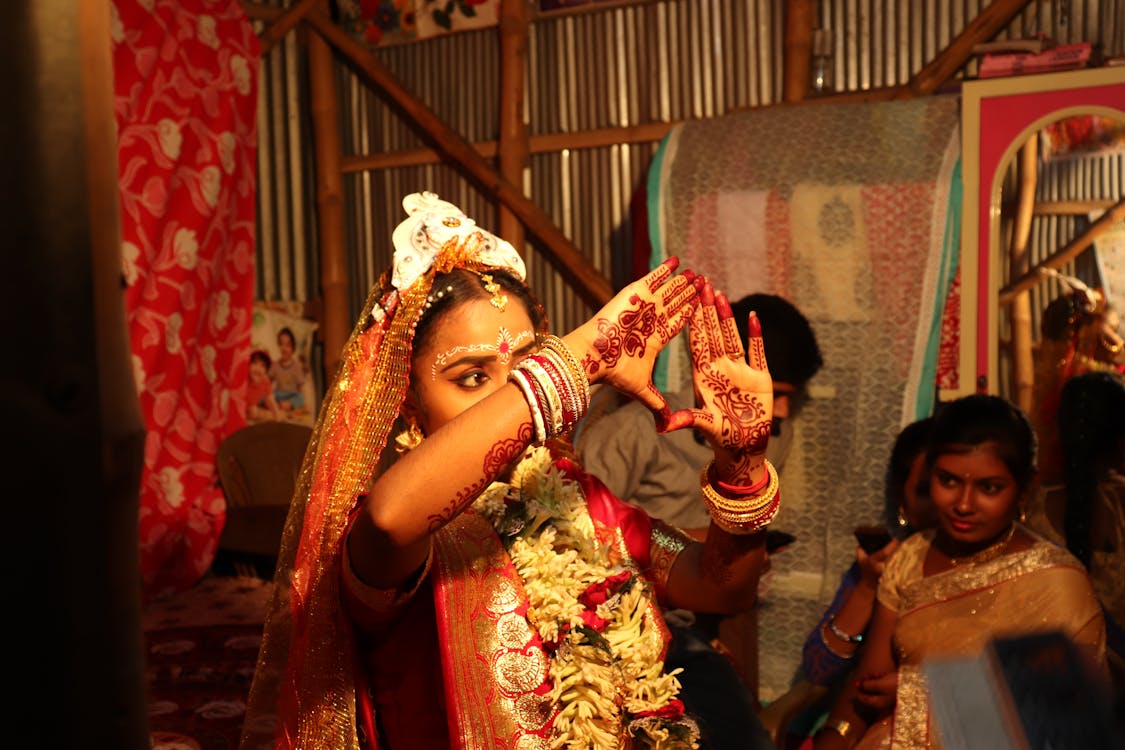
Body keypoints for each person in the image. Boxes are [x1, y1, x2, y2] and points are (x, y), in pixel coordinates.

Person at [241, 192, 785, 750]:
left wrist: (741, 470)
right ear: (408, 404)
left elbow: (721, 586)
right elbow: (389, 520)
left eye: (527, 365)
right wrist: (579, 359)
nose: (514, 396)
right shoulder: (404, 531)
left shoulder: (582, 503)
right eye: (473, 377)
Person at [812, 394, 1107, 750]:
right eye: (948, 481)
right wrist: (834, 737)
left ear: (1025, 488)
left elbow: (1067, 716)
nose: (964, 505)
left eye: (989, 488)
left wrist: (916, 694)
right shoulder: (910, 558)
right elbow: (866, 686)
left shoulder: (1056, 581)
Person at [799, 417, 937, 694]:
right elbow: (817, 668)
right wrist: (868, 586)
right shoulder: (882, 564)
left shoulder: (1000, 568)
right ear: (902, 501)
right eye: (925, 491)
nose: (945, 502)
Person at [269, 326, 307, 412]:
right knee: (266, 396)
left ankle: (286, 405)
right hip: (279, 394)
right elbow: (268, 383)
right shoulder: (275, 365)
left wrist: (304, 404)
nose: (284, 348)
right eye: (281, 344)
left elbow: (301, 387)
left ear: (293, 348)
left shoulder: (297, 366)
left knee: (300, 398)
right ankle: (280, 405)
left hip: (291, 395)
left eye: (287, 345)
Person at [247, 349, 282, 422]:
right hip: (243, 408)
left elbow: (270, 399)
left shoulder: (265, 381)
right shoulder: (244, 380)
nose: (258, 368)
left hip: (253, 405)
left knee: (275, 411)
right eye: (254, 363)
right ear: (248, 364)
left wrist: (277, 414)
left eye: (262, 366)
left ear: (266, 371)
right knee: (254, 412)